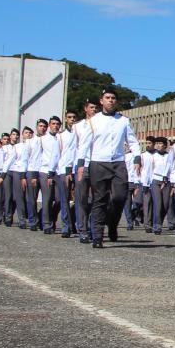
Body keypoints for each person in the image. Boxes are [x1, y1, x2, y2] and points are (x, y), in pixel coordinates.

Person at [76, 88, 141, 248]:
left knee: (120, 197)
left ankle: (112, 223)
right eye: (107, 97)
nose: (110, 100)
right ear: (101, 101)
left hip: (118, 162)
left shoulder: (123, 121)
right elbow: (84, 145)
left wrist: (137, 158)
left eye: (113, 98)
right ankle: (97, 236)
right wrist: (80, 165)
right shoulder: (93, 121)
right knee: (100, 199)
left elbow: (132, 141)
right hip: (98, 163)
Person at [73, 99, 98, 243]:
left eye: (96, 108)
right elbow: (73, 148)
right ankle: (83, 229)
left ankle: (93, 228)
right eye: (91, 107)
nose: (94, 110)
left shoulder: (101, 124)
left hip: (96, 164)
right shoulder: (78, 127)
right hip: (82, 165)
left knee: (96, 199)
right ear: (86, 109)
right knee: (82, 198)